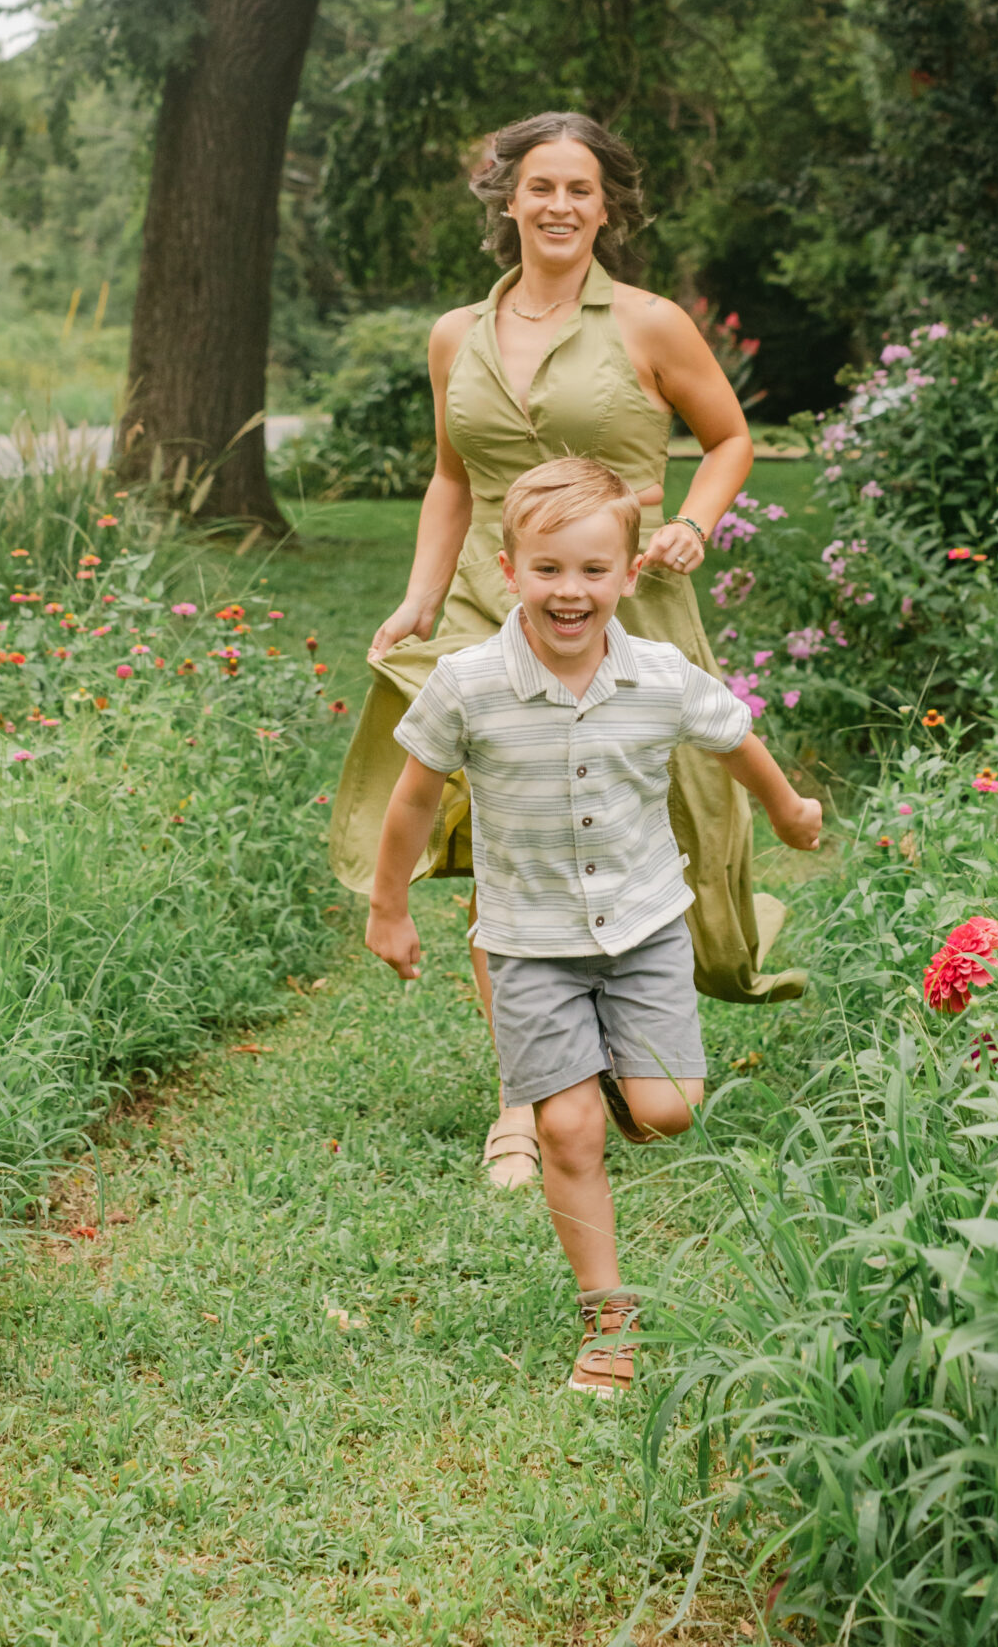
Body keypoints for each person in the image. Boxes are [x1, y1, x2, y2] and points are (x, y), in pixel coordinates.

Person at [328, 110, 805, 1192]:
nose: (556, 205)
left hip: (624, 599)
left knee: (676, 822)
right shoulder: (458, 333)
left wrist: (694, 518)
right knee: (505, 825)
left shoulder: (650, 324)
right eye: (538, 185)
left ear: (609, 206)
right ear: (506, 198)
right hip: (495, 605)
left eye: (579, 189)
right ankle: (525, 1097)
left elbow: (730, 439)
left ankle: (646, 1025)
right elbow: (452, 479)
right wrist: (417, 600)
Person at [366, 456, 822, 1393]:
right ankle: (607, 1320)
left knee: (668, 1112)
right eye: (547, 570)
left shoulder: (659, 674)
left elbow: (734, 736)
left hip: (646, 928)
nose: (568, 591)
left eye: (590, 571)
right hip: (526, 942)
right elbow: (411, 799)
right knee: (570, 1135)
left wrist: (783, 812)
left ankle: (605, 1069)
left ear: (625, 574)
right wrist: (389, 906)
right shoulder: (466, 683)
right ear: (506, 570)